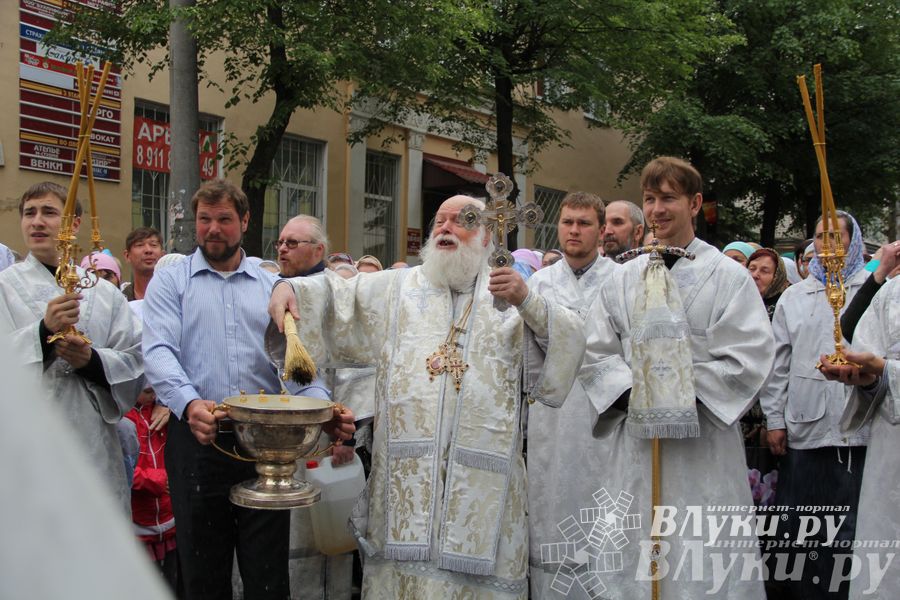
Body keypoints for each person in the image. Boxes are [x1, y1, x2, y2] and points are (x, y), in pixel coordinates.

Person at [267, 194, 585, 599]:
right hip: (405, 484)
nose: (446, 228)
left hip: (484, 490)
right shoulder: (399, 288)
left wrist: (527, 301)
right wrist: (288, 287)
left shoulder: (509, 295)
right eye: (440, 221)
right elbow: (340, 294)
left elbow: (571, 340)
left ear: (487, 235)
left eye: (462, 220)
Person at [142, 179, 354, 600]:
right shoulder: (171, 281)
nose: (213, 229)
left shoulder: (269, 285)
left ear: (245, 221)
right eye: (204, 219)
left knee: (267, 572)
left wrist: (322, 410)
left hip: (266, 446)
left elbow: (295, 363)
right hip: (198, 438)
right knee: (202, 572)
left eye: (224, 219)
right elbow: (158, 350)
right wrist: (188, 403)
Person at [575, 157, 774, 598]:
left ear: (695, 203)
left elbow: (749, 356)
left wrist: (672, 396)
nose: (657, 209)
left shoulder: (727, 277)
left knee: (701, 560)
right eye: (650, 199)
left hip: (702, 450)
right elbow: (595, 350)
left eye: (668, 198)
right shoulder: (622, 278)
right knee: (635, 559)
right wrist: (633, 395)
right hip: (636, 450)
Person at [0, 181, 144, 513]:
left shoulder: (104, 293)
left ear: (74, 223)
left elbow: (135, 360)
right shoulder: (5, 287)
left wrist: (91, 361)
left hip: (91, 442)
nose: (37, 222)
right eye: (29, 213)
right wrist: (42, 332)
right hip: (26, 443)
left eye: (49, 212)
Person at [759, 210, 869, 600]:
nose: (827, 246)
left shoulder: (871, 290)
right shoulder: (795, 296)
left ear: (854, 242)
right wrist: (775, 419)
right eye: (821, 237)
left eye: (836, 237)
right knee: (803, 525)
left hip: (856, 431)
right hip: (805, 427)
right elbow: (777, 363)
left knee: (850, 526)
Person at [524, 191, 621, 597]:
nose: (574, 231)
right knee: (554, 500)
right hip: (554, 413)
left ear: (601, 230)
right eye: (567, 222)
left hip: (606, 412)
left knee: (605, 501)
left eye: (584, 223)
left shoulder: (619, 280)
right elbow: (527, 355)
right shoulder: (539, 282)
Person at [818, 275, 900, 600]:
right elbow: (876, 376)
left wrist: (885, 369)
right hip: (891, 457)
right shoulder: (891, 294)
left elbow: (884, 367)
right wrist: (866, 380)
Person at [126, 383, 180, 595]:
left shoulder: (161, 413)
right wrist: (155, 480)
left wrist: (168, 406)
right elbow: (121, 468)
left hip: (168, 526)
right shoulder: (121, 419)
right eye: (148, 391)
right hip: (138, 527)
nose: (153, 396)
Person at [122, 227, 164, 301]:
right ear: (127, 256)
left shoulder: (175, 295)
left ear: (163, 255)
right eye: (140, 245)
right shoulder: (121, 299)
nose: (148, 250)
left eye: (153, 245)